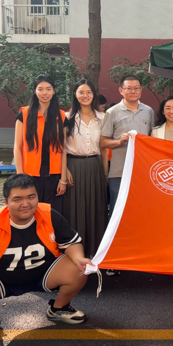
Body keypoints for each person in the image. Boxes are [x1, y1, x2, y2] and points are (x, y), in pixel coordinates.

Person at [0, 174, 91, 346]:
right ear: (6, 202)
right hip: (1, 280)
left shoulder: (49, 215)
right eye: (17, 199)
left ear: (37, 197)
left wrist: (79, 258)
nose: (25, 204)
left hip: (44, 274)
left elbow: (71, 243)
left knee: (80, 267)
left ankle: (59, 308)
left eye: (31, 197)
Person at [64, 79, 108, 258]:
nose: (85, 95)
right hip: (74, 166)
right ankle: (76, 253)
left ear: (94, 94)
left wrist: (105, 173)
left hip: (95, 166)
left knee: (96, 208)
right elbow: (61, 147)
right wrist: (65, 171)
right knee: (75, 209)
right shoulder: (67, 117)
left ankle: (96, 253)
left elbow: (103, 148)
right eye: (81, 92)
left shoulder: (103, 118)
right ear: (75, 95)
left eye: (88, 92)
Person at [13, 75, 68, 215]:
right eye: (40, 89)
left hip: (54, 176)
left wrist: (63, 179)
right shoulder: (24, 115)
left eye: (48, 89)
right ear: (35, 91)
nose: (45, 93)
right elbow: (17, 147)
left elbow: (63, 149)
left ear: (54, 91)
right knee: (31, 213)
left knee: (53, 214)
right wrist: (20, 176)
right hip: (30, 175)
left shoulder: (61, 116)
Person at [100, 75, 155, 217]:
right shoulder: (112, 112)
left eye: (136, 88)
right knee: (118, 212)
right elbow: (103, 142)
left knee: (141, 210)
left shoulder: (149, 111)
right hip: (119, 172)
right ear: (121, 90)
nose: (133, 91)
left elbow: (152, 139)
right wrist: (119, 141)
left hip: (142, 171)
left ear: (141, 90)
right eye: (129, 88)